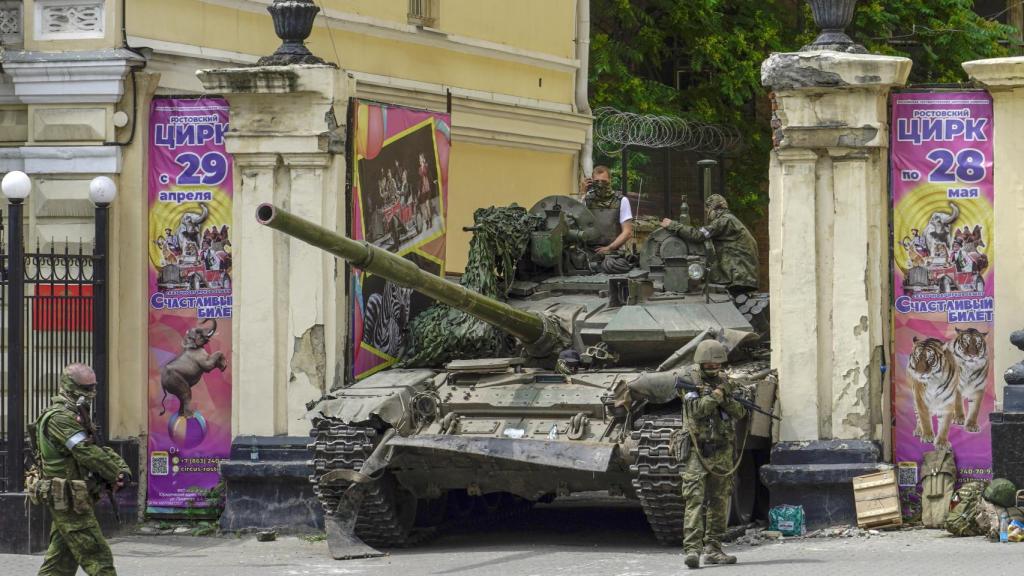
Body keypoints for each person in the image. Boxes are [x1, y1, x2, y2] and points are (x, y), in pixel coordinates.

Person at [31, 364, 131, 576]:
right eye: (86, 388)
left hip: (75, 497)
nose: (92, 393)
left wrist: (121, 469)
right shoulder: (59, 418)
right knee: (98, 557)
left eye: (93, 387)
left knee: (59, 564)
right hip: (68, 499)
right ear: (68, 386)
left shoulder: (76, 413)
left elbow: (97, 447)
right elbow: (85, 452)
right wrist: (114, 474)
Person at [677, 340, 745, 569]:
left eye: (718, 365)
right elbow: (697, 410)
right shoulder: (689, 383)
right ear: (701, 363)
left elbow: (740, 411)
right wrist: (717, 395)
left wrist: (725, 395)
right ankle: (692, 550)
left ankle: (714, 548)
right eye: (710, 365)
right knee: (694, 499)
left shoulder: (726, 383)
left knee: (719, 500)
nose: (715, 369)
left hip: (722, 449)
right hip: (698, 450)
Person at [660, 194, 758, 295]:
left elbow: (699, 235)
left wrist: (673, 225)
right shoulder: (730, 220)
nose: (708, 215)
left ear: (713, 208)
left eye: (707, 211)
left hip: (738, 275)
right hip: (743, 275)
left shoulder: (725, 220)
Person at [580, 165, 634, 256]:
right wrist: (582, 193)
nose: (600, 184)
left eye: (604, 181)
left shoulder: (621, 201)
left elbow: (627, 232)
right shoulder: (586, 200)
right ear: (592, 181)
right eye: (597, 181)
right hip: (589, 253)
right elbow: (578, 222)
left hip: (614, 253)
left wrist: (609, 248)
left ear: (610, 180)